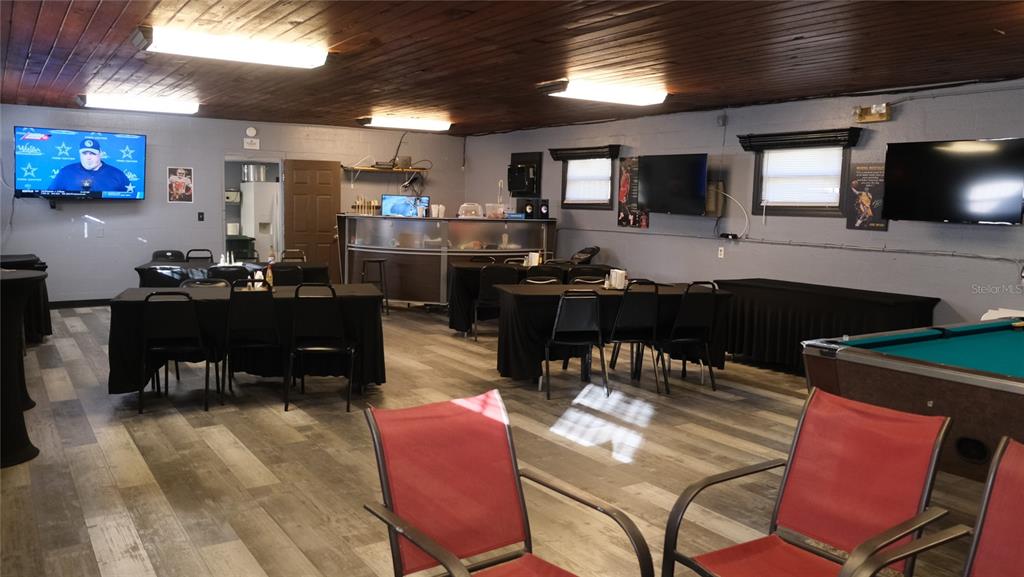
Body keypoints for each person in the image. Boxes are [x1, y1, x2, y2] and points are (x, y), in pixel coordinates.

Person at [50, 139, 130, 193]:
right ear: (80, 154)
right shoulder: (65, 173)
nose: (88, 158)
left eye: (92, 153)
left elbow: (131, 199)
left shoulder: (117, 174)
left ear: (100, 154)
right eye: (84, 153)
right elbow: (49, 195)